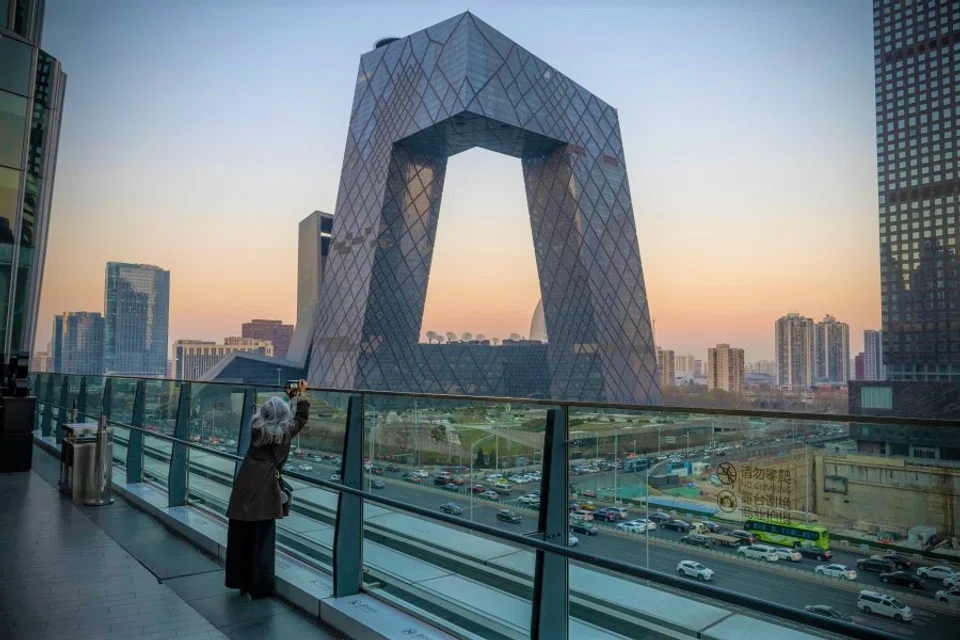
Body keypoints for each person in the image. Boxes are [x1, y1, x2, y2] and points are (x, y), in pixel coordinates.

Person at [225, 379, 310, 598]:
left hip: (244, 483)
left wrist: (288, 395)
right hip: (264, 487)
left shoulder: (256, 427)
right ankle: (260, 587)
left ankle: (240, 581)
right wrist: (300, 395)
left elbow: (271, 412)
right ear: (283, 418)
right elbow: (301, 417)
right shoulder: (283, 434)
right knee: (262, 538)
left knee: (240, 535)